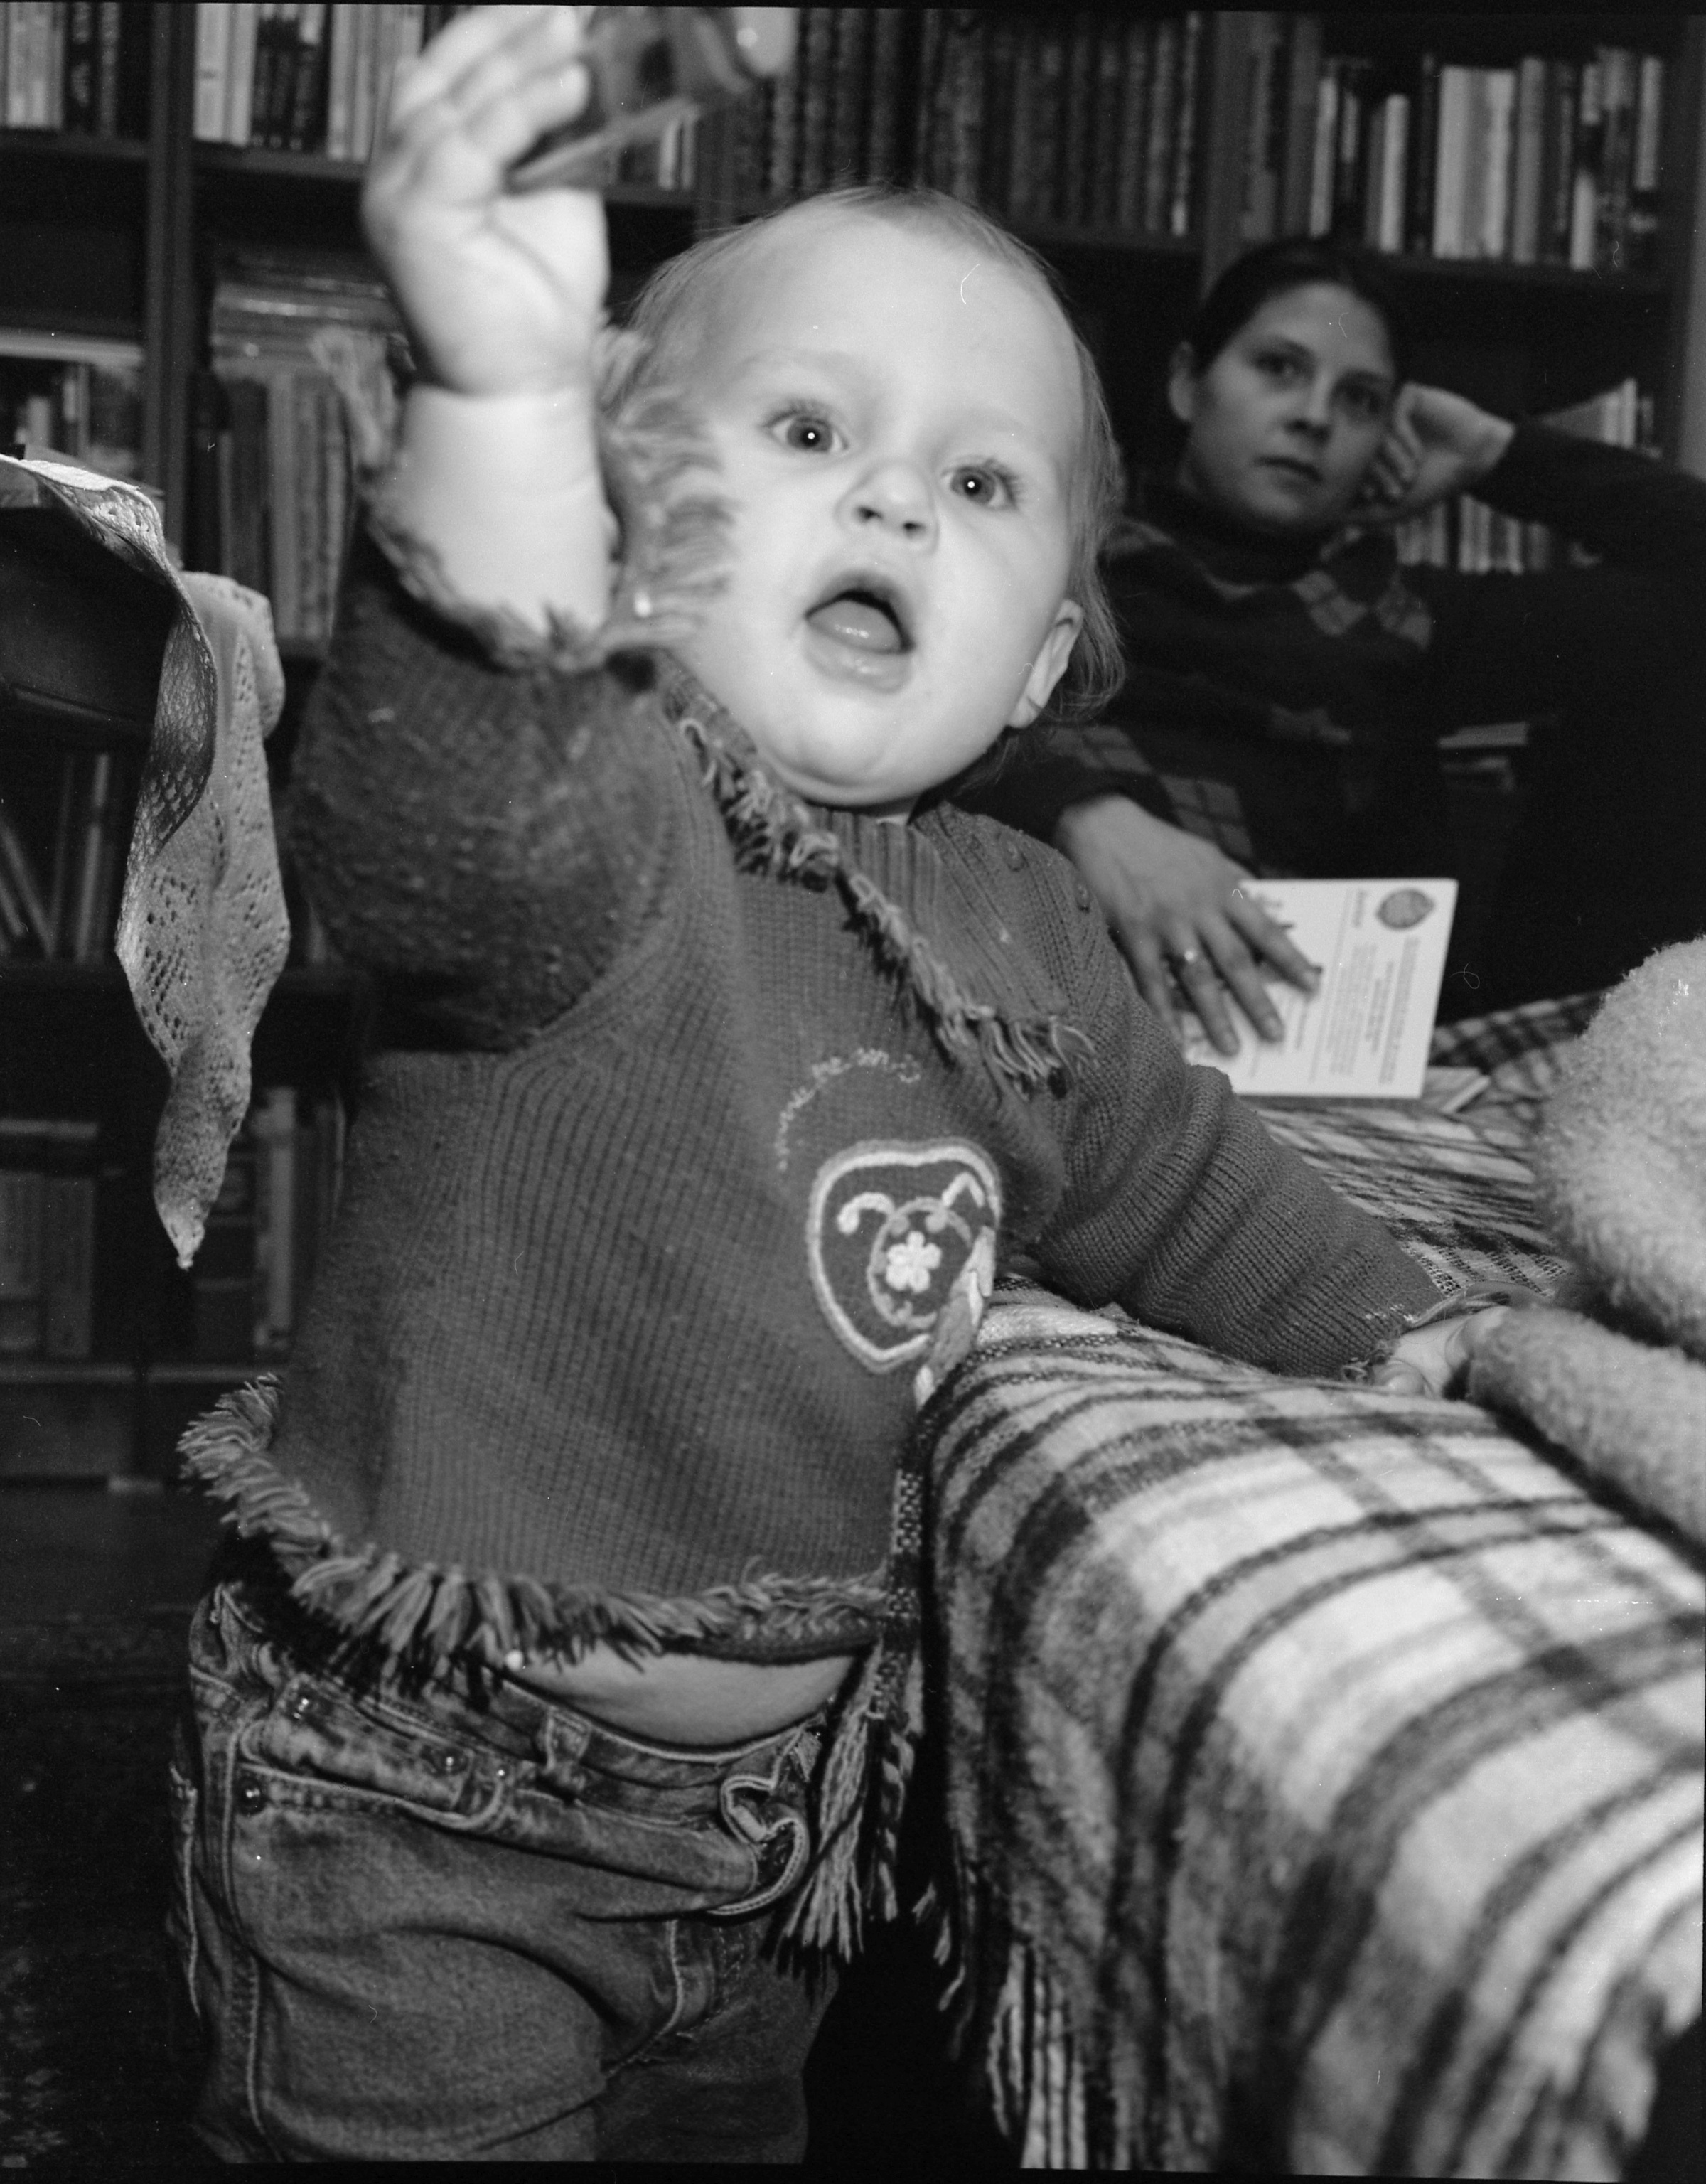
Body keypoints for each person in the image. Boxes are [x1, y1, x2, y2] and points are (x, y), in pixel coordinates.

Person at [166, 11, 1509, 2163]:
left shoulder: (1023, 912)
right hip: (417, 1805)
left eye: (979, 484)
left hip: (779, 1846)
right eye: (807, 428)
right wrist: (500, 413)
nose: (891, 493)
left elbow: (1174, 1177)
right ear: (625, 518)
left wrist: (1413, 1324)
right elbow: (429, 830)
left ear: (1041, 657)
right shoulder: (602, 802)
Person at [959, 236, 1706, 1054]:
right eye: (1279, 367)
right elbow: (920, 708)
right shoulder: (1052, 560)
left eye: (1359, 400)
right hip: (1030, 989)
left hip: (1304, 1038)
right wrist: (1083, 812)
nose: (1314, 416)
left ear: (1388, 435)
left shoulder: (1403, 618)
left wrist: (1496, 453)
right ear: (1187, 381)